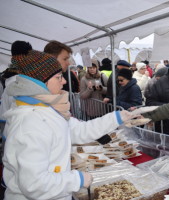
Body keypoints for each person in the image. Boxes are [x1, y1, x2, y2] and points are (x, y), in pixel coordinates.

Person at [2, 49, 136, 200]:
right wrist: (76, 179)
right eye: (59, 77)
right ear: (40, 83)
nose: (64, 81)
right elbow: (34, 185)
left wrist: (117, 117)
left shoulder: (48, 110)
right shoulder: (30, 123)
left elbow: (80, 130)